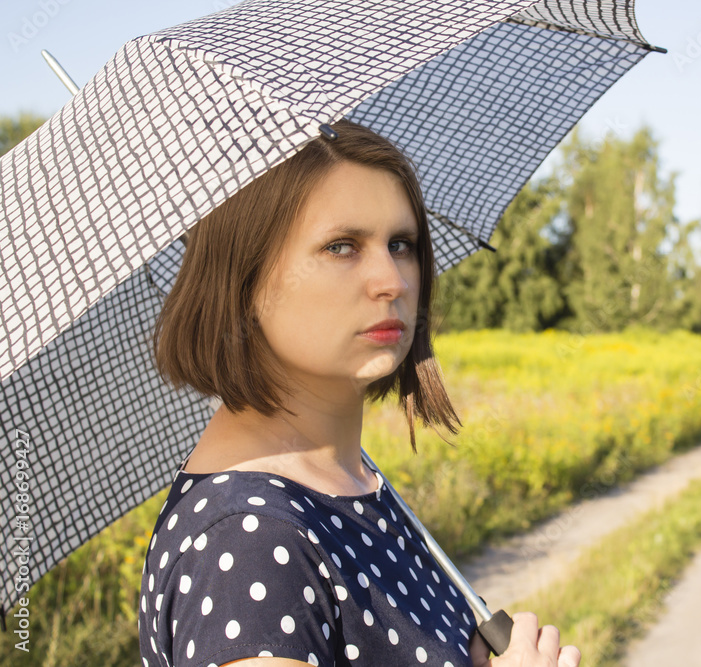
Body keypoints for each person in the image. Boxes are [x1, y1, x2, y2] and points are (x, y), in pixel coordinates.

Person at [137, 118, 582, 667]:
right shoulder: (251, 542)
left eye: (401, 244)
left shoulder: (346, 482)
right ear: (243, 279)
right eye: (342, 246)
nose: (393, 281)